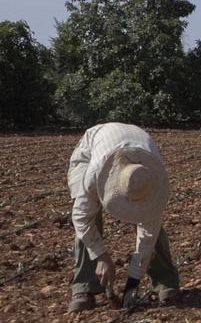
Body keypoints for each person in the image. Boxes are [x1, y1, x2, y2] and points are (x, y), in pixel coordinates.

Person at [67, 123, 179, 312]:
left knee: (151, 216)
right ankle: (84, 287)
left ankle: (164, 281)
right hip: (91, 149)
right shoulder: (95, 173)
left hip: (136, 142)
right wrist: (101, 256)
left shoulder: (151, 176)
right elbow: (80, 217)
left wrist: (132, 283)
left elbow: (148, 235)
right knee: (90, 217)